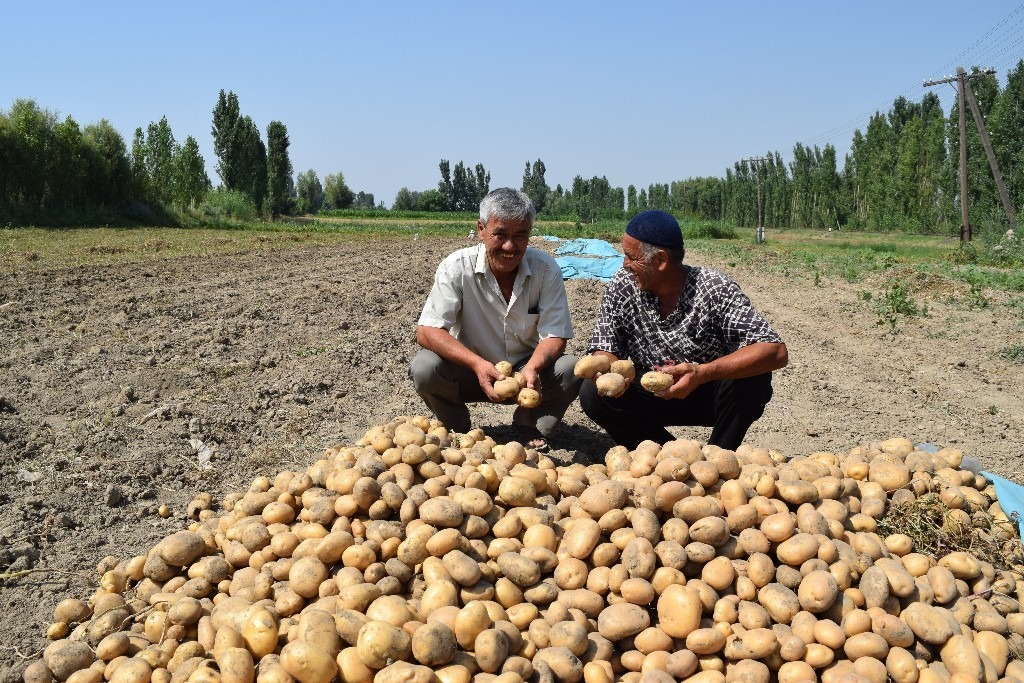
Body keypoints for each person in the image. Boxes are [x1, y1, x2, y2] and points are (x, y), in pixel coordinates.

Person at [579, 209, 788, 451]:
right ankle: (667, 454)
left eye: (630, 257)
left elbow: (775, 350)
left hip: (706, 391)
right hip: (650, 391)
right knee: (592, 393)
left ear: (660, 260)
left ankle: (719, 455)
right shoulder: (623, 286)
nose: (624, 265)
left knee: (754, 376)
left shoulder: (713, 289)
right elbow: (606, 346)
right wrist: (607, 368)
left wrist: (702, 373)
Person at [409, 187, 581, 449]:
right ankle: (459, 429)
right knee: (424, 367)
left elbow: (555, 335)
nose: (510, 246)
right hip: (470, 371)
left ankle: (529, 423)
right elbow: (427, 331)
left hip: (527, 373)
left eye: (520, 235)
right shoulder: (457, 268)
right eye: (500, 234)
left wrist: (532, 369)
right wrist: (477, 364)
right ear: (481, 230)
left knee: (570, 369)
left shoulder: (545, 270)